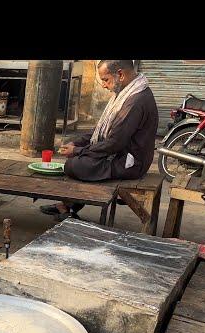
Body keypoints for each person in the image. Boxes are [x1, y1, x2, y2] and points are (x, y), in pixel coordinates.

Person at [40, 60, 158, 221]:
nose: (103, 85)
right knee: (79, 158)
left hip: (130, 163)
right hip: (120, 154)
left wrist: (77, 151)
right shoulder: (127, 93)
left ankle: (69, 206)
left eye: (105, 80)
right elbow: (101, 132)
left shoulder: (135, 101)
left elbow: (114, 143)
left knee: (73, 165)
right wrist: (78, 143)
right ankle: (68, 206)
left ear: (121, 75)